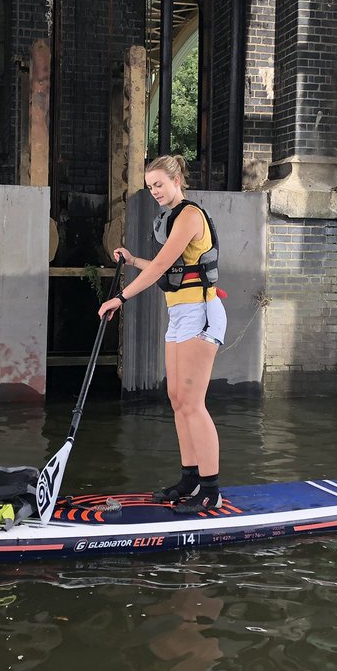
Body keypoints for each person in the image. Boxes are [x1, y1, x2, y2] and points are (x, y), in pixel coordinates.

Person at [97, 154, 227, 513]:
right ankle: (190, 478)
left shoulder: (188, 215)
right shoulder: (170, 217)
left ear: (176, 180)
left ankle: (211, 489)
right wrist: (132, 258)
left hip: (201, 313)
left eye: (159, 184)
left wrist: (120, 298)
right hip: (180, 313)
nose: (154, 191)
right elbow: (164, 266)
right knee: (177, 400)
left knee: (194, 403)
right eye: (150, 186)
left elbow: (160, 268)